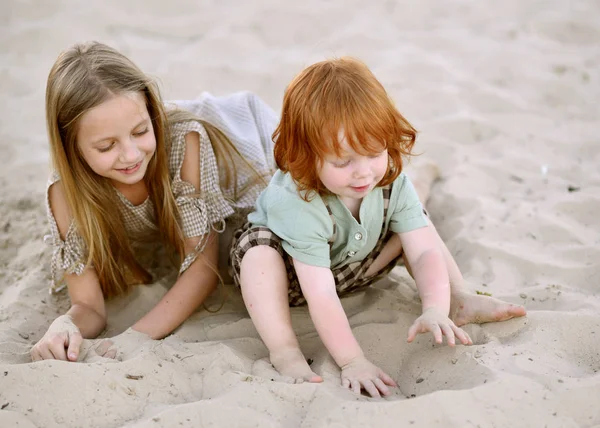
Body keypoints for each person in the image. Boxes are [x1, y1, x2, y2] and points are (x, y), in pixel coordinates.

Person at [230, 57, 526, 398]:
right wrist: (353, 361)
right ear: (305, 155)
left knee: (418, 223)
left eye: (374, 153)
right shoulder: (298, 201)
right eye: (343, 161)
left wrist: (433, 306)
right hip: (294, 280)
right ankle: (284, 351)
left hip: (356, 264)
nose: (363, 172)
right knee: (258, 254)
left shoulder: (388, 180)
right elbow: (321, 293)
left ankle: (456, 299)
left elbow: (424, 248)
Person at [30, 41, 277, 362]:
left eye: (140, 131)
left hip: (255, 148)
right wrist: (64, 324)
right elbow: (90, 307)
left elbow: (202, 266)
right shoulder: (64, 193)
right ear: (70, 148)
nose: (131, 155)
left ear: (152, 113)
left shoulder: (184, 141)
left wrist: (137, 336)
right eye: (106, 146)